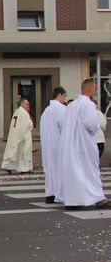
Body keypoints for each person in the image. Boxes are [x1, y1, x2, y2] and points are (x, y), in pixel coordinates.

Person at [58, 78, 111, 209]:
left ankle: (73, 200)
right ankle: (98, 198)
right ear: (91, 90)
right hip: (84, 144)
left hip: (70, 144)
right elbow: (91, 124)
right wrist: (98, 124)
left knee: (74, 172)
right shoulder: (88, 105)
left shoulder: (71, 105)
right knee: (90, 171)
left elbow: (63, 123)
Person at [40, 87, 67, 204]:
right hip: (59, 144)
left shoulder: (46, 110)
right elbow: (65, 127)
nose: (65, 98)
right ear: (59, 95)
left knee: (50, 170)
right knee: (60, 169)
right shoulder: (61, 109)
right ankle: (60, 194)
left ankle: (50, 194)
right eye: (64, 96)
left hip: (47, 144)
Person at [1, 98, 33, 173]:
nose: (29, 105)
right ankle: (24, 169)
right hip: (22, 136)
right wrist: (31, 123)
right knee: (22, 154)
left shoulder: (17, 111)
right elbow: (27, 125)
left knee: (14, 153)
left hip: (15, 135)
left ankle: (8, 166)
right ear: (22, 104)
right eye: (27, 104)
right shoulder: (24, 113)